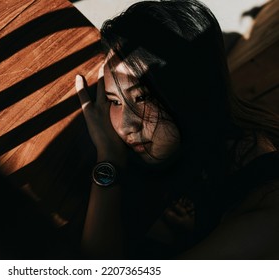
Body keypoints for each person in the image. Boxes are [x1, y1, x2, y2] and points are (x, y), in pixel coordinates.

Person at [75, 0, 279, 259]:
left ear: (191, 93)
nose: (126, 126)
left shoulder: (264, 221)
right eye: (114, 101)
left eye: (141, 97)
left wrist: (108, 161)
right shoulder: (214, 144)